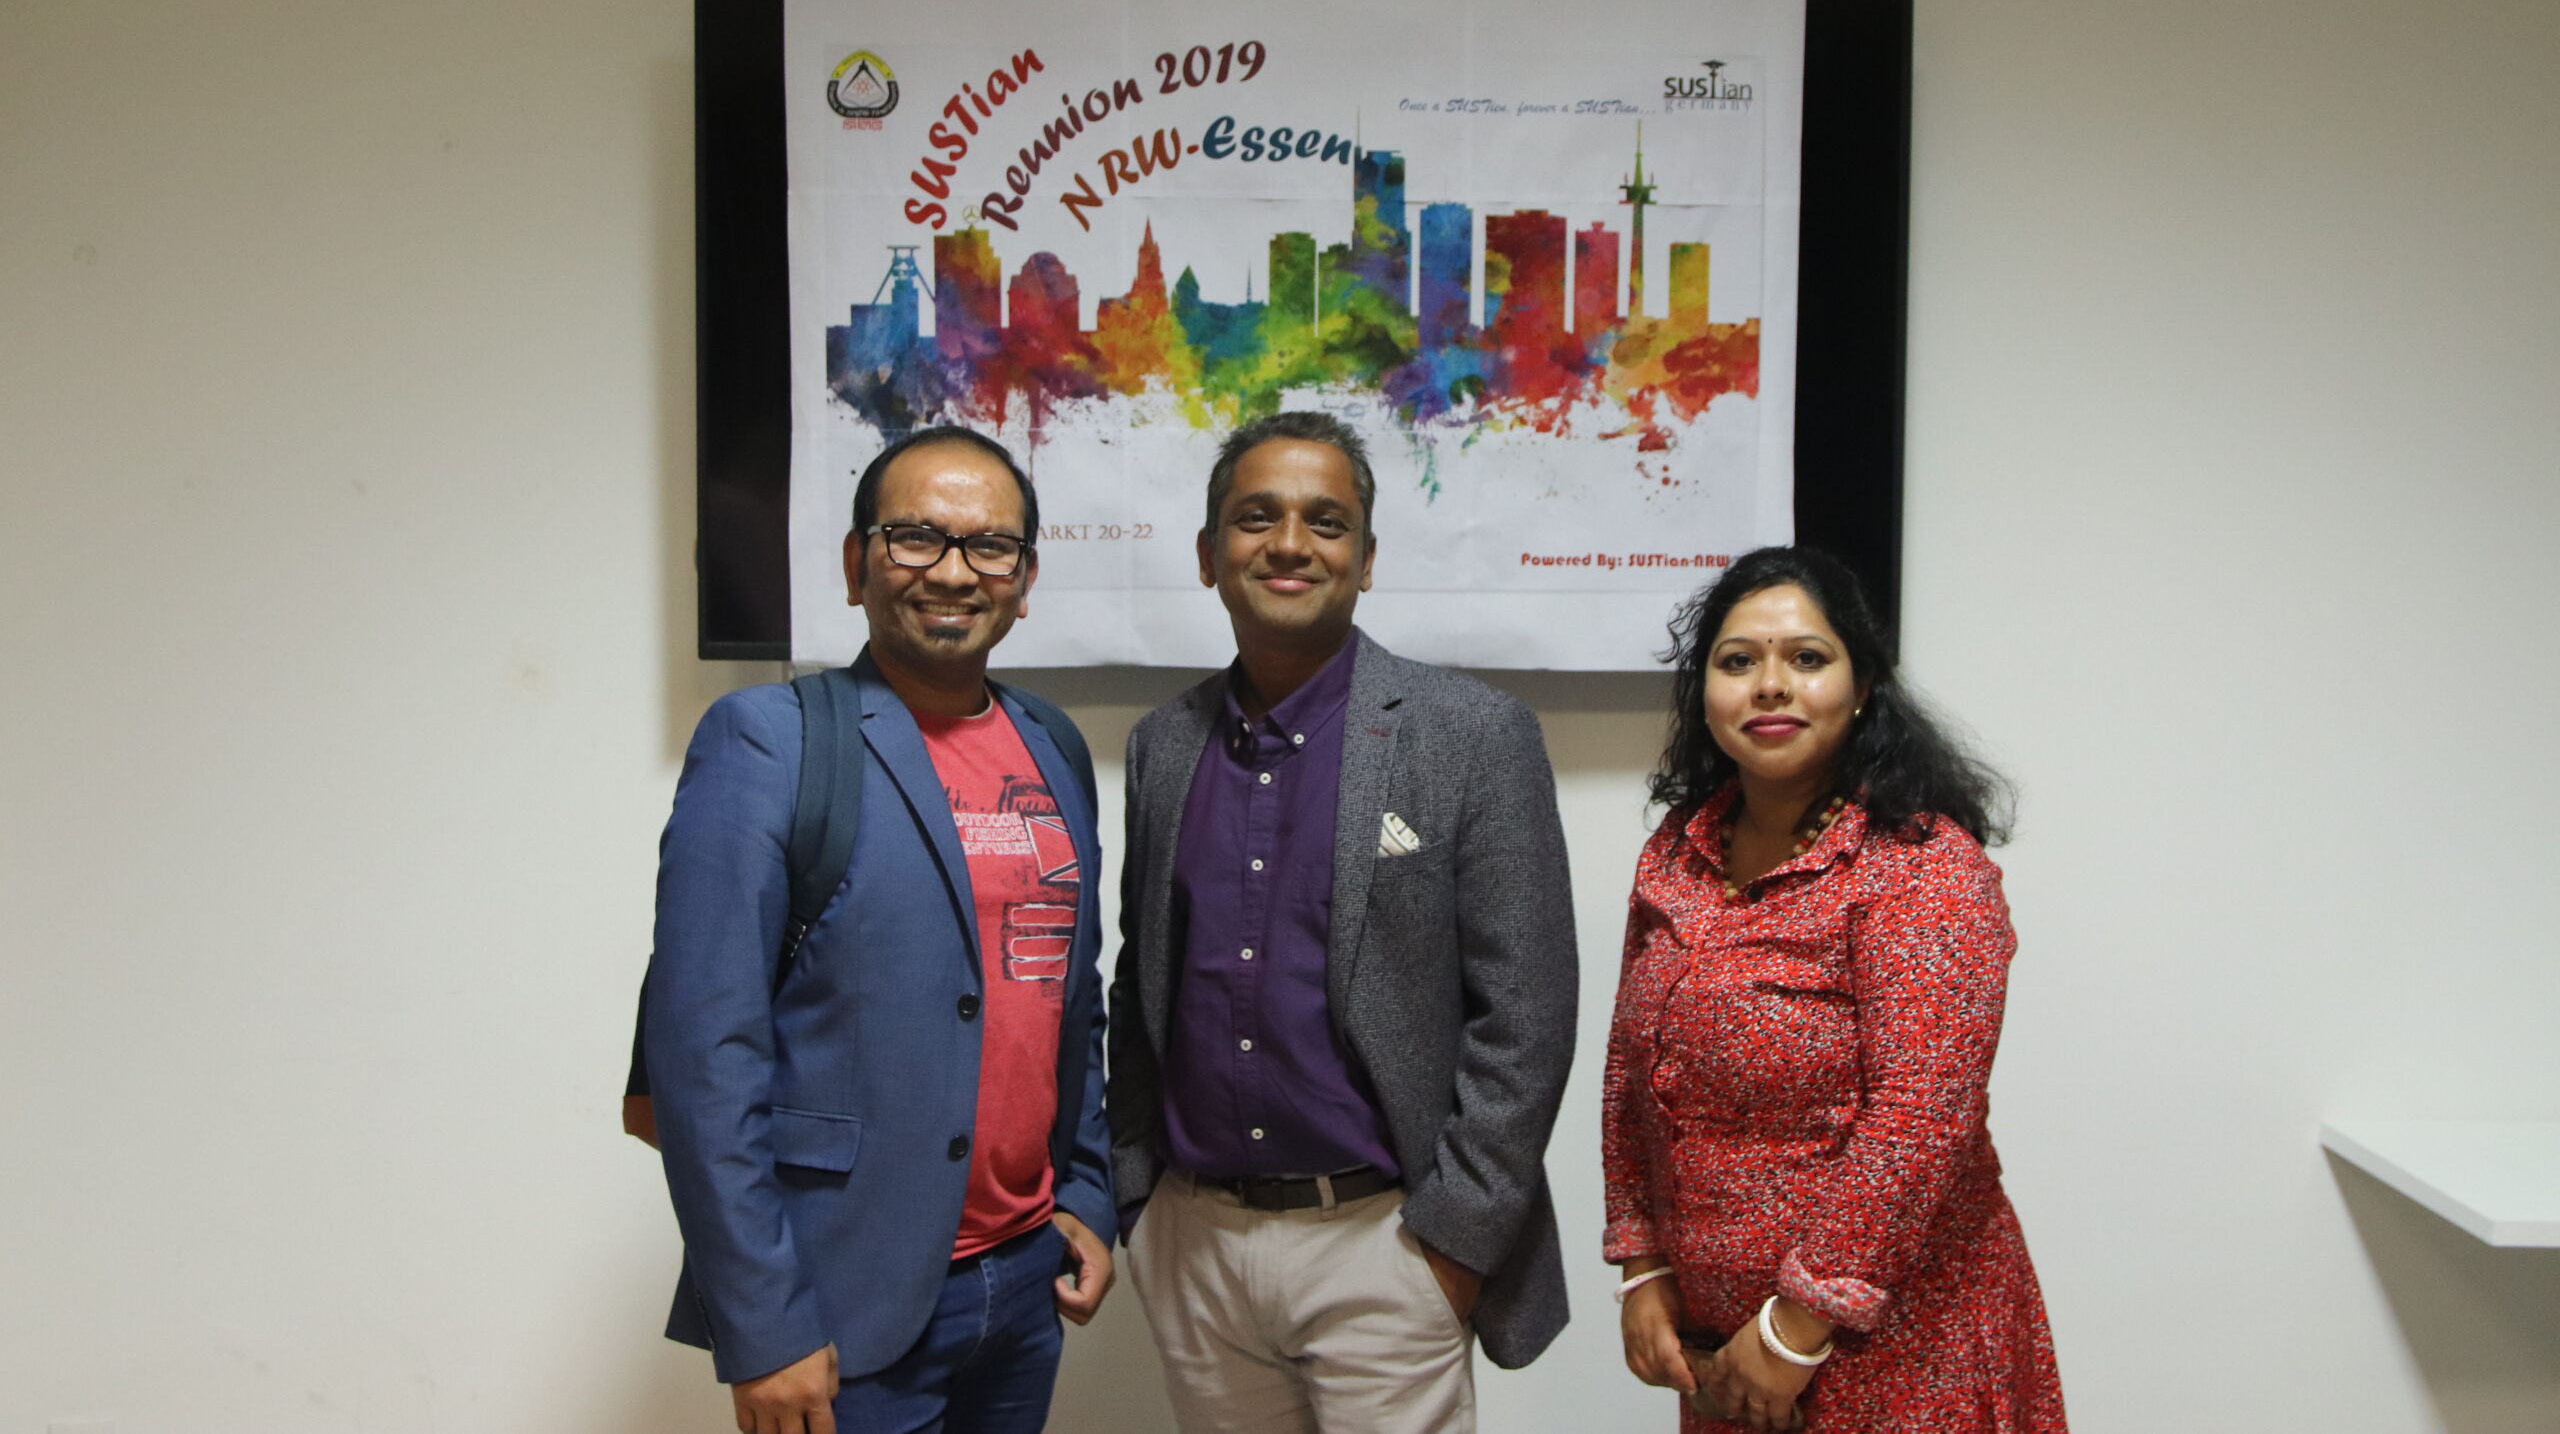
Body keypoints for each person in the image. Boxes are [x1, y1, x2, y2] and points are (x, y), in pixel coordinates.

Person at [1107, 410, 1579, 1434]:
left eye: (1325, 522)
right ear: (1207, 555)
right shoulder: (1161, 745)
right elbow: (1141, 981)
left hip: (1383, 1245)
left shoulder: (1472, 735)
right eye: (1256, 517)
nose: (1289, 544)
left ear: (1366, 561)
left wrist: (1454, 1241)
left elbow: (1527, 1015)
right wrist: (1136, 1192)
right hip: (1195, 1244)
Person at [642, 426, 1115, 1434]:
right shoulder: (769, 743)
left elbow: (1071, 995)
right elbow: (703, 1060)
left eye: (990, 546)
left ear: (1025, 580)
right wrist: (762, 1324)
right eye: (916, 537)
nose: (954, 571)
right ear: (858, 561)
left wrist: (1084, 1188)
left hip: (1022, 1284)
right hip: (842, 1300)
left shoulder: (1053, 745)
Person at [1602, 546, 2066, 1434]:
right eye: (1738, 660)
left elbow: (1920, 1119)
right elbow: (1630, 1076)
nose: (1770, 684)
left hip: (1899, 1352)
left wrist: (1795, 1326)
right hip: (1726, 1360)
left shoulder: (1920, 866)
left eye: (1807, 658)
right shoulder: (1679, 851)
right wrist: (1643, 1262)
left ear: (1862, 687)